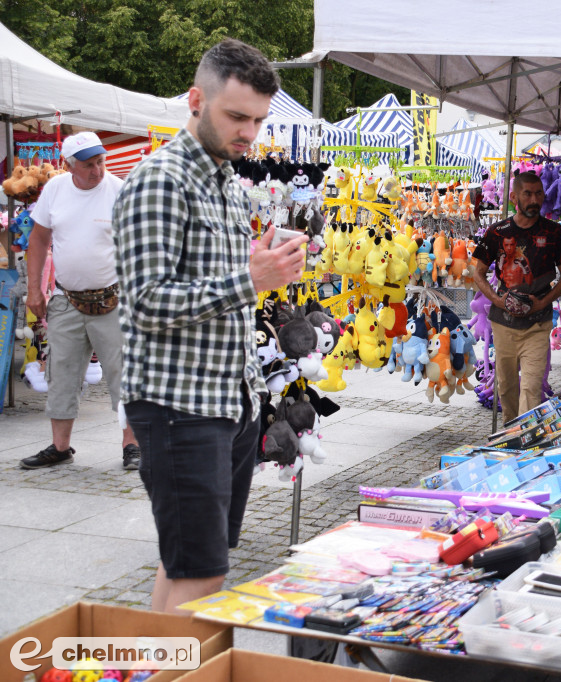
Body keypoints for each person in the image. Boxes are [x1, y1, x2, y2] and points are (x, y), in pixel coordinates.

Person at [112, 39, 307, 614]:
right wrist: (250, 279)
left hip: (227, 401)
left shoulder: (223, 179)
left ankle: (148, 669)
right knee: (203, 576)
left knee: (190, 561)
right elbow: (145, 301)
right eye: (237, 117)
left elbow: (215, 283)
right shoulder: (161, 181)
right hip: (179, 407)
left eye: (258, 120)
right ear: (196, 100)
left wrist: (260, 264)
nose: (249, 133)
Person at [20, 132, 140, 470]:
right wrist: (34, 290)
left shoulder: (119, 191)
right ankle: (60, 447)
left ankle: (132, 445)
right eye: (88, 165)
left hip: (113, 299)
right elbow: (38, 240)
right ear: (69, 165)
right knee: (61, 372)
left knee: (124, 373)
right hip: (66, 299)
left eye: (100, 161)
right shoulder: (55, 190)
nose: (97, 170)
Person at [472, 172, 561, 423]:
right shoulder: (497, 232)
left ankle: (525, 439)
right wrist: (497, 300)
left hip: (538, 324)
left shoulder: (554, 232)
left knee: (531, 388)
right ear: (515, 196)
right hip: (503, 325)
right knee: (506, 389)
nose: (534, 199)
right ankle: (509, 435)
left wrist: (543, 301)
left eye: (538, 193)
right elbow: (478, 273)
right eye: (527, 193)